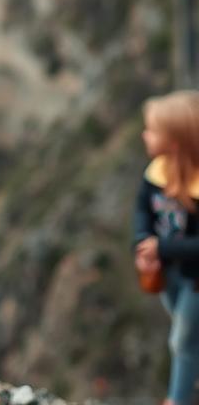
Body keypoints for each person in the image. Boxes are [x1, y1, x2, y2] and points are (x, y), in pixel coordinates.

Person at [133, 90, 199, 405]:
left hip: (195, 278)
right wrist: (142, 243)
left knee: (183, 340)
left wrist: (162, 248)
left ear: (174, 141)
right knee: (186, 332)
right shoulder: (156, 173)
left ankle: (178, 399)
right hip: (168, 271)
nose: (145, 135)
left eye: (152, 130)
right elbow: (142, 210)